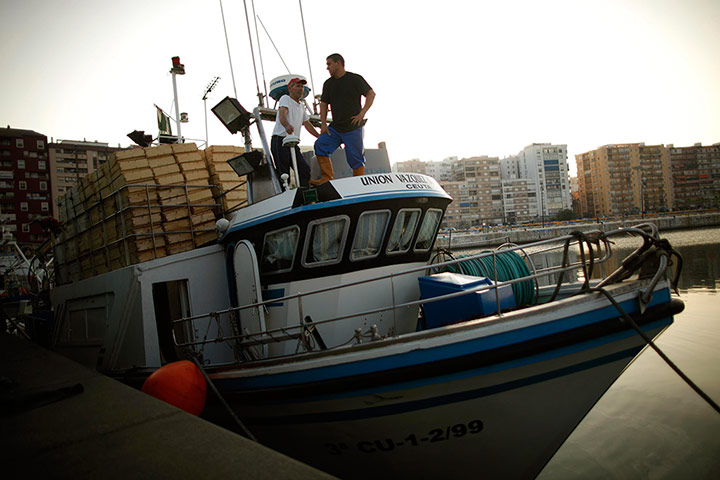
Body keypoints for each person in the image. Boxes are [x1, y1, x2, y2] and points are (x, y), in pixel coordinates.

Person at [311, 53, 376, 185]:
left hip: (353, 125)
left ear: (338, 63)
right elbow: (323, 104)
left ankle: (358, 183)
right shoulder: (328, 84)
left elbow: (371, 94)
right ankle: (326, 178)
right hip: (335, 127)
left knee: (356, 157)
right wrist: (323, 124)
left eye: (329, 64)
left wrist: (362, 113)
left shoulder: (355, 79)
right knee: (320, 144)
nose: (327, 68)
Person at [271, 77, 320, 188]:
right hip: (281, 140)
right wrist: (287, 125)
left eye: (302, 86)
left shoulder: (301, 106)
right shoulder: (285, 98)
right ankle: (285, 198)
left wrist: (319, 136)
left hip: (293, 143)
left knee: (304, 170)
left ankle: (304, 194)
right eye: (298, 86)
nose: (300, 89)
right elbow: (282, 113)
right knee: (284, 173)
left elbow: (307, 123)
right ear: (290, 88)